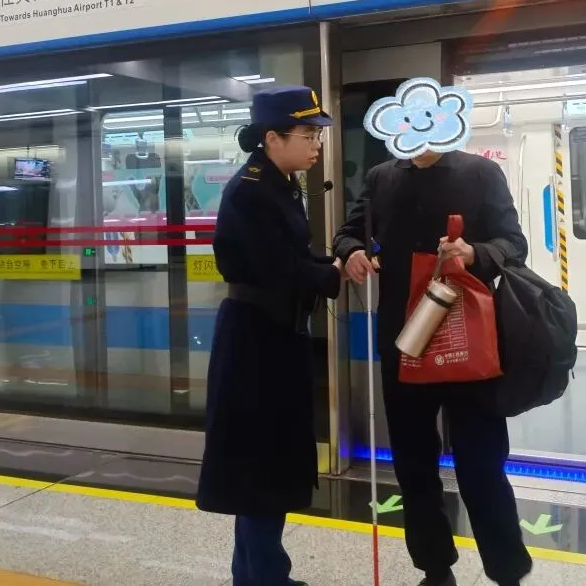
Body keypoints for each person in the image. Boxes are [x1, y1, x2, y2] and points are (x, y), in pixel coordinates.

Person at [333, 148, 533, 586]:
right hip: (404, 338)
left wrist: (474, 252)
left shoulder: (481, 172)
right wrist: (352, 250)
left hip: (470, 340)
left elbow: (514, 244)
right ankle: (434, 567)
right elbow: (348, 233)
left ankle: (507, 571)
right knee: (413, 463)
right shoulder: (382, 177)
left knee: (482, 464)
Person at [196, 85, 342, 586]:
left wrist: (335, 263)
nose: (316, 144)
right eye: (307, 135)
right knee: (260, 466)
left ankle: (257, 573)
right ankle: (263, 578)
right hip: (256, 345)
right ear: (273, 137)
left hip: (275, 336)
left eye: (317, 135)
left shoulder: (280, 182)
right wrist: (333, 274)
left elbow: (296, 257)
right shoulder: (252, 191)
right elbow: (279, 269)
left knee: (269, 464)